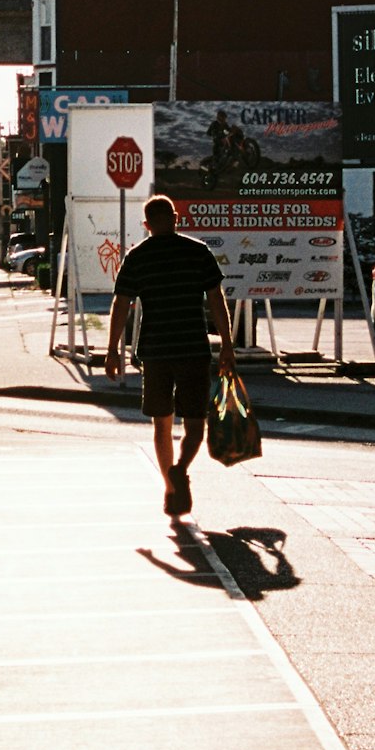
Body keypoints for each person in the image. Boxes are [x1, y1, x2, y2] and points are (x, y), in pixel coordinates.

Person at [104, 192, 235, 518]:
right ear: (176, 218)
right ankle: (180, 469)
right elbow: (217, 300)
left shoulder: (137, 257)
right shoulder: (198, 252)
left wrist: (111, 351)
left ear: (147, 224)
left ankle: (171, 487)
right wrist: (228, 346)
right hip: (193, 348)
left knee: (161, 425)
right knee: (195, 427)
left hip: (156, 352)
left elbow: (121, 304)